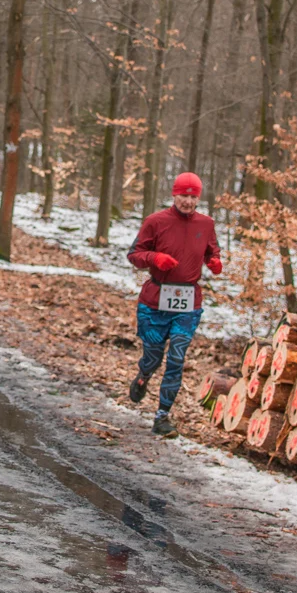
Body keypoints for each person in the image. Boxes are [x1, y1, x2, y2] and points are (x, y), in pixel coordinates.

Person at [125, 172, 222, 437]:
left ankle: (162, 417)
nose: (188, 202)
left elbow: (212, 251)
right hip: (154, 302)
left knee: (177, 359)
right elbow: (134, 255)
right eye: (183, 196)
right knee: (153, 358)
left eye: (193, 197)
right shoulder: (155, 221)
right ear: (174, 195)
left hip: (188, 304)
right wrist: (155, 258)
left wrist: (214, 262)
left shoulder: (207, 223)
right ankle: (144, 376)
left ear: (198, 198)